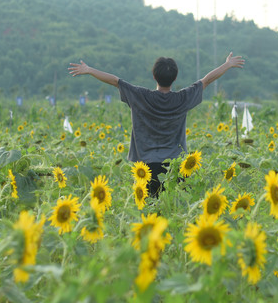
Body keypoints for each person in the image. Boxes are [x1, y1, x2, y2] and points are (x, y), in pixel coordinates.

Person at [68, 52, 245, 198]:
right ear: (175, 78)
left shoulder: (140, 96)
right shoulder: (182, 99)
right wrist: (227, 65)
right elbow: (206, 80)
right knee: (174, 212)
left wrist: (89, 70)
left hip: (146, 167)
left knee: (149, 212)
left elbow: (115, 81)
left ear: (154, 76)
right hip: (175, 166)